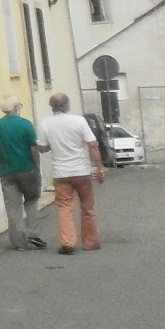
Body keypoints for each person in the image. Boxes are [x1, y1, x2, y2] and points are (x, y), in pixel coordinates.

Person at [37, 92, 105, 255]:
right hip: (81, 171)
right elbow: (92, 145)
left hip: (61, 173)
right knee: (87, 208)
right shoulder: (79, 121)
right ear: (68, 105)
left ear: (51, 107)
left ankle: (67, 242)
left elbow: (42, 148)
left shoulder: (45, 124)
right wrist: (100, 167)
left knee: (64, 208)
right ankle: (90, 242)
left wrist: (54, 145)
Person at [0, 96, 46, 251]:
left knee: (13, 208)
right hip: (27, 169)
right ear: (15, 107)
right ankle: (33, 235)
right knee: (31, 201)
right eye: (19, 105)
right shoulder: (25, 124)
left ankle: (19, 242)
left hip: (7, 172)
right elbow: (34, 148)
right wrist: (37, 167)